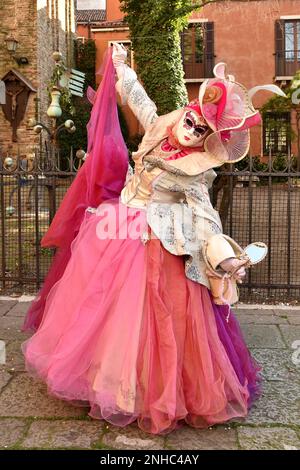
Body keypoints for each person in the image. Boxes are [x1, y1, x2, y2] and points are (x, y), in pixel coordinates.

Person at [21, 45, 282, 435]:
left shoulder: (195, 172)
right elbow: (138, 98)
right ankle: (106, 380)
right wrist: (122, 66)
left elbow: (205, 215)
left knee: (159, 317)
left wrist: (225, 257)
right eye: (192, 120)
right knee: (101, 307)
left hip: (160, 241)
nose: (190, 130)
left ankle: (145, 392)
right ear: (188, 110)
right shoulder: (161, 127)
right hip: (117, 228)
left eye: (200, 131)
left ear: (209, 140)